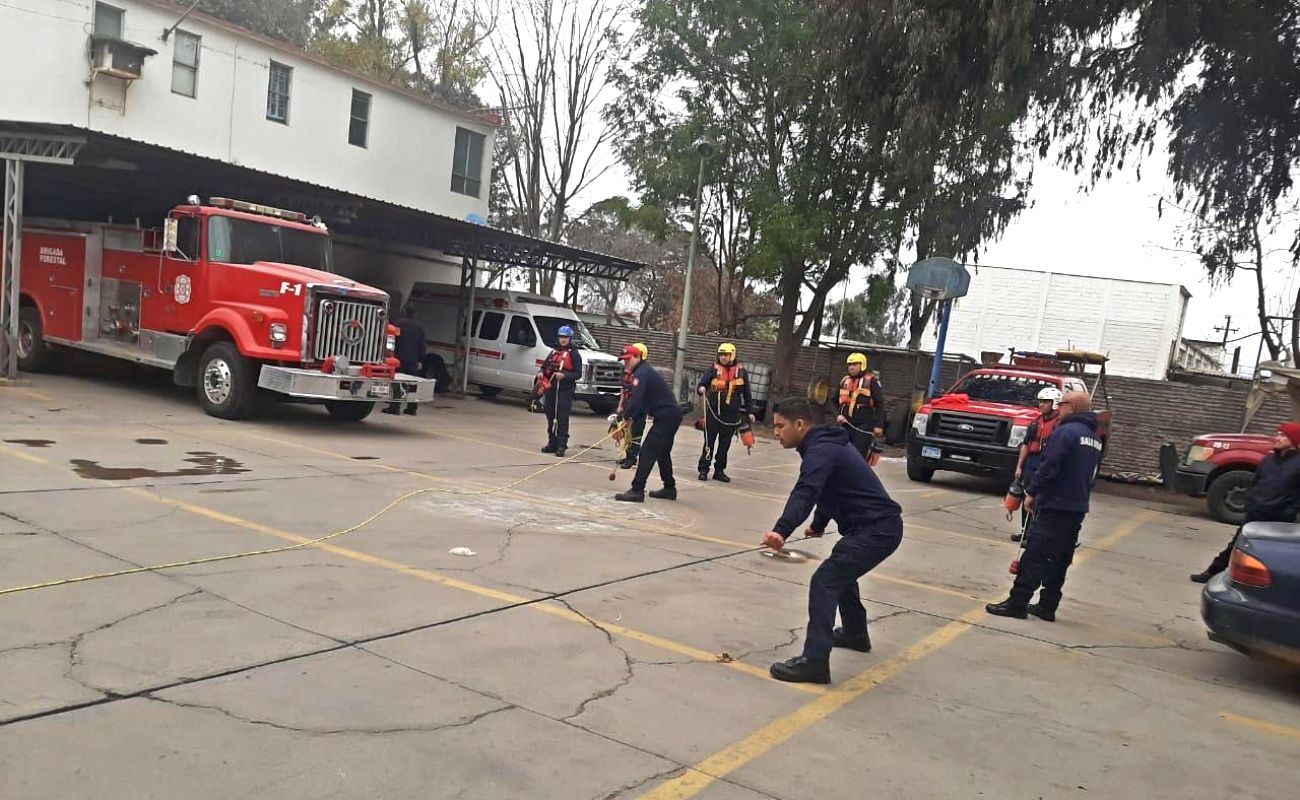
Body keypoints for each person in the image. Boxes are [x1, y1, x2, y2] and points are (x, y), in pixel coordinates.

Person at [762, 397, 904, 685]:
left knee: (825, 581)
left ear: (800, 424)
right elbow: (827, 490)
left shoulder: (821, 450)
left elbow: (807, 489)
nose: (776, 432)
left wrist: (782, 529)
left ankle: (814, 662)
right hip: (874, 529)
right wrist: (818, 524)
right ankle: (855, 633)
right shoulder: (822, 446)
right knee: (841, 570)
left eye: (780, 426)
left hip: (877, 530)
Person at [986, 390, 1104, 622]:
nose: (1058, 409)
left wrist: (1032, 493)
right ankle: (1048, 605)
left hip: (1054, 504)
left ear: (1071, 407)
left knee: (1035, 554)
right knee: (1060, 558)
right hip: (1077, 507)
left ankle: (1017, 603)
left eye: (1061, 404)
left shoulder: (1065, 432)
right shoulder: (1094, 438)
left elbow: (1049, 466)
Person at [1190, 422, 1300, 582]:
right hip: (1255, 513)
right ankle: (1211, 572)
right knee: (1236, 545)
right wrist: (1251, 503)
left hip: (1279, 519)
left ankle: (1266, 584)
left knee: (1270, 554)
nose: (1277, 437)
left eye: (1283, 435)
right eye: (1277, 433)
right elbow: (1255, 483)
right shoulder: (1268, 460)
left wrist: (1290, 510)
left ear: (1294, 440)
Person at [614, 344, 682, 502]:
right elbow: (640, 402)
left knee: (647, 451)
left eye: (628, 360)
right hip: (669, 416)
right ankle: (669, 488)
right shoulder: (642, 372)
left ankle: (637, 489)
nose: (626, 364)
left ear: (637, 357)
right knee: (662, 452)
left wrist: (625, 418)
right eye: (624, 361)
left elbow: (636, 401)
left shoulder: (641, 374)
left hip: (667, 417)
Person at [1009, 386, 1063, 541]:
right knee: (1026, 497)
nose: (1041, 405)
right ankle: (1025, 531)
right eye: (1040, 401)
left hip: (1046, 463)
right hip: (1031, 463)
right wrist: (1019, 466)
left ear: (1055, 403)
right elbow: (1026, 445)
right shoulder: (1035, 423)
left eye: (1046, 402)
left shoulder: (1060, 424)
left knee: (1040, 500)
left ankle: (1036, 534)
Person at [696, 342, 754, 482]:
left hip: (731, 412)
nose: (722, 357)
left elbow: (747, 393)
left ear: (732, 355)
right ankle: (703, 469)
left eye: (725, 355)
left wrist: (750, 411)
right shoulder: (714, 369)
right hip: (714, 410)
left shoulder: (741, 371)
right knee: (709, 441)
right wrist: (701, 388)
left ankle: (719, 470)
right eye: (721, 354)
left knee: (725, 443)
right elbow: (703, 383)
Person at [539, 325, 583, 458]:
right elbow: (544, 367)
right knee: (550, 415)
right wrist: (541, 373)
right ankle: (552, 442)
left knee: (562, 418)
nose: (563, 340)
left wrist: (565, 376)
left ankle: (561, 445)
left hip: (564, 390)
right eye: (561, 337)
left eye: (566, 337)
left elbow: (578, 373)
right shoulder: (553, 352)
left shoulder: (574, 354)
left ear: (570, 338)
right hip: (551, 389)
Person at [835, 353, 885, 462]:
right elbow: (832, 401)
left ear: (862, 365)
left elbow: (880, 405)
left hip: (863, 428)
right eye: (849, 365)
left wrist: (879, 425)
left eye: (854, 364)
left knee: (857, 459)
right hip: (844, 426)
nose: (851, 367)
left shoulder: (872, 382)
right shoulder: (844, 381)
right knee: (840, 457)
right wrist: (837, 415)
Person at [384, 303, 427, 416]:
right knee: (412, 384)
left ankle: (395, 407)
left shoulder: (398, 324)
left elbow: (392, 340)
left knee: (397, 382)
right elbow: (422, 345)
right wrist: (420, 360)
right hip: (413, 360)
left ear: (404, 311)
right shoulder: (420, 327)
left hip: (398, 358)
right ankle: (412, 408)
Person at [616, 343, 649, 469]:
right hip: (627, 404)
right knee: (625, 432)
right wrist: (620, 406)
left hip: (639, 408)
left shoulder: (643, 373)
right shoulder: (627, 372)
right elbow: (623, 388)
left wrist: (632, 411)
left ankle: (631, 458)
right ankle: (626, 455)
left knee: (635, 434)